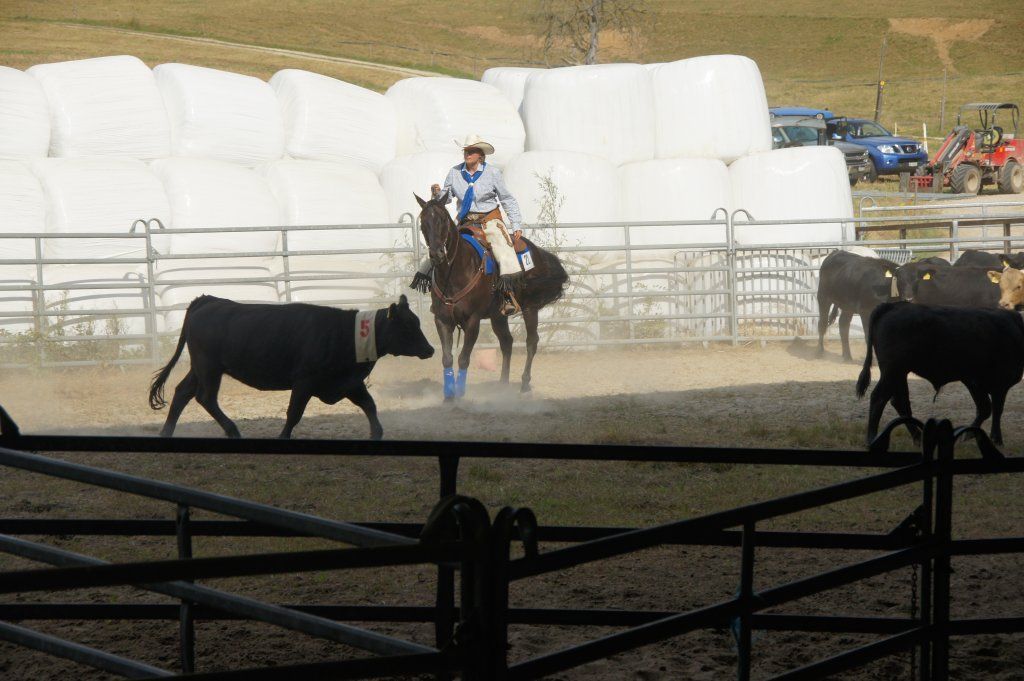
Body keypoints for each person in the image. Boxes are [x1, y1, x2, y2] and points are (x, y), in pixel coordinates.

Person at [410, 134, 526, 315]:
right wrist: (437, 193)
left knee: (502, 248)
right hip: (464, 220)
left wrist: (516, 223)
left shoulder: (493, 173)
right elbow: (446, 198)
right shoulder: (455, 172)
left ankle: (507, 295)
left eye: (471, 151)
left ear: (480, 155)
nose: (467, 154)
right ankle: (436, 290)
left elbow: (506, 199)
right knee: (442, 246)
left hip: (489, 219)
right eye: (466, 151)